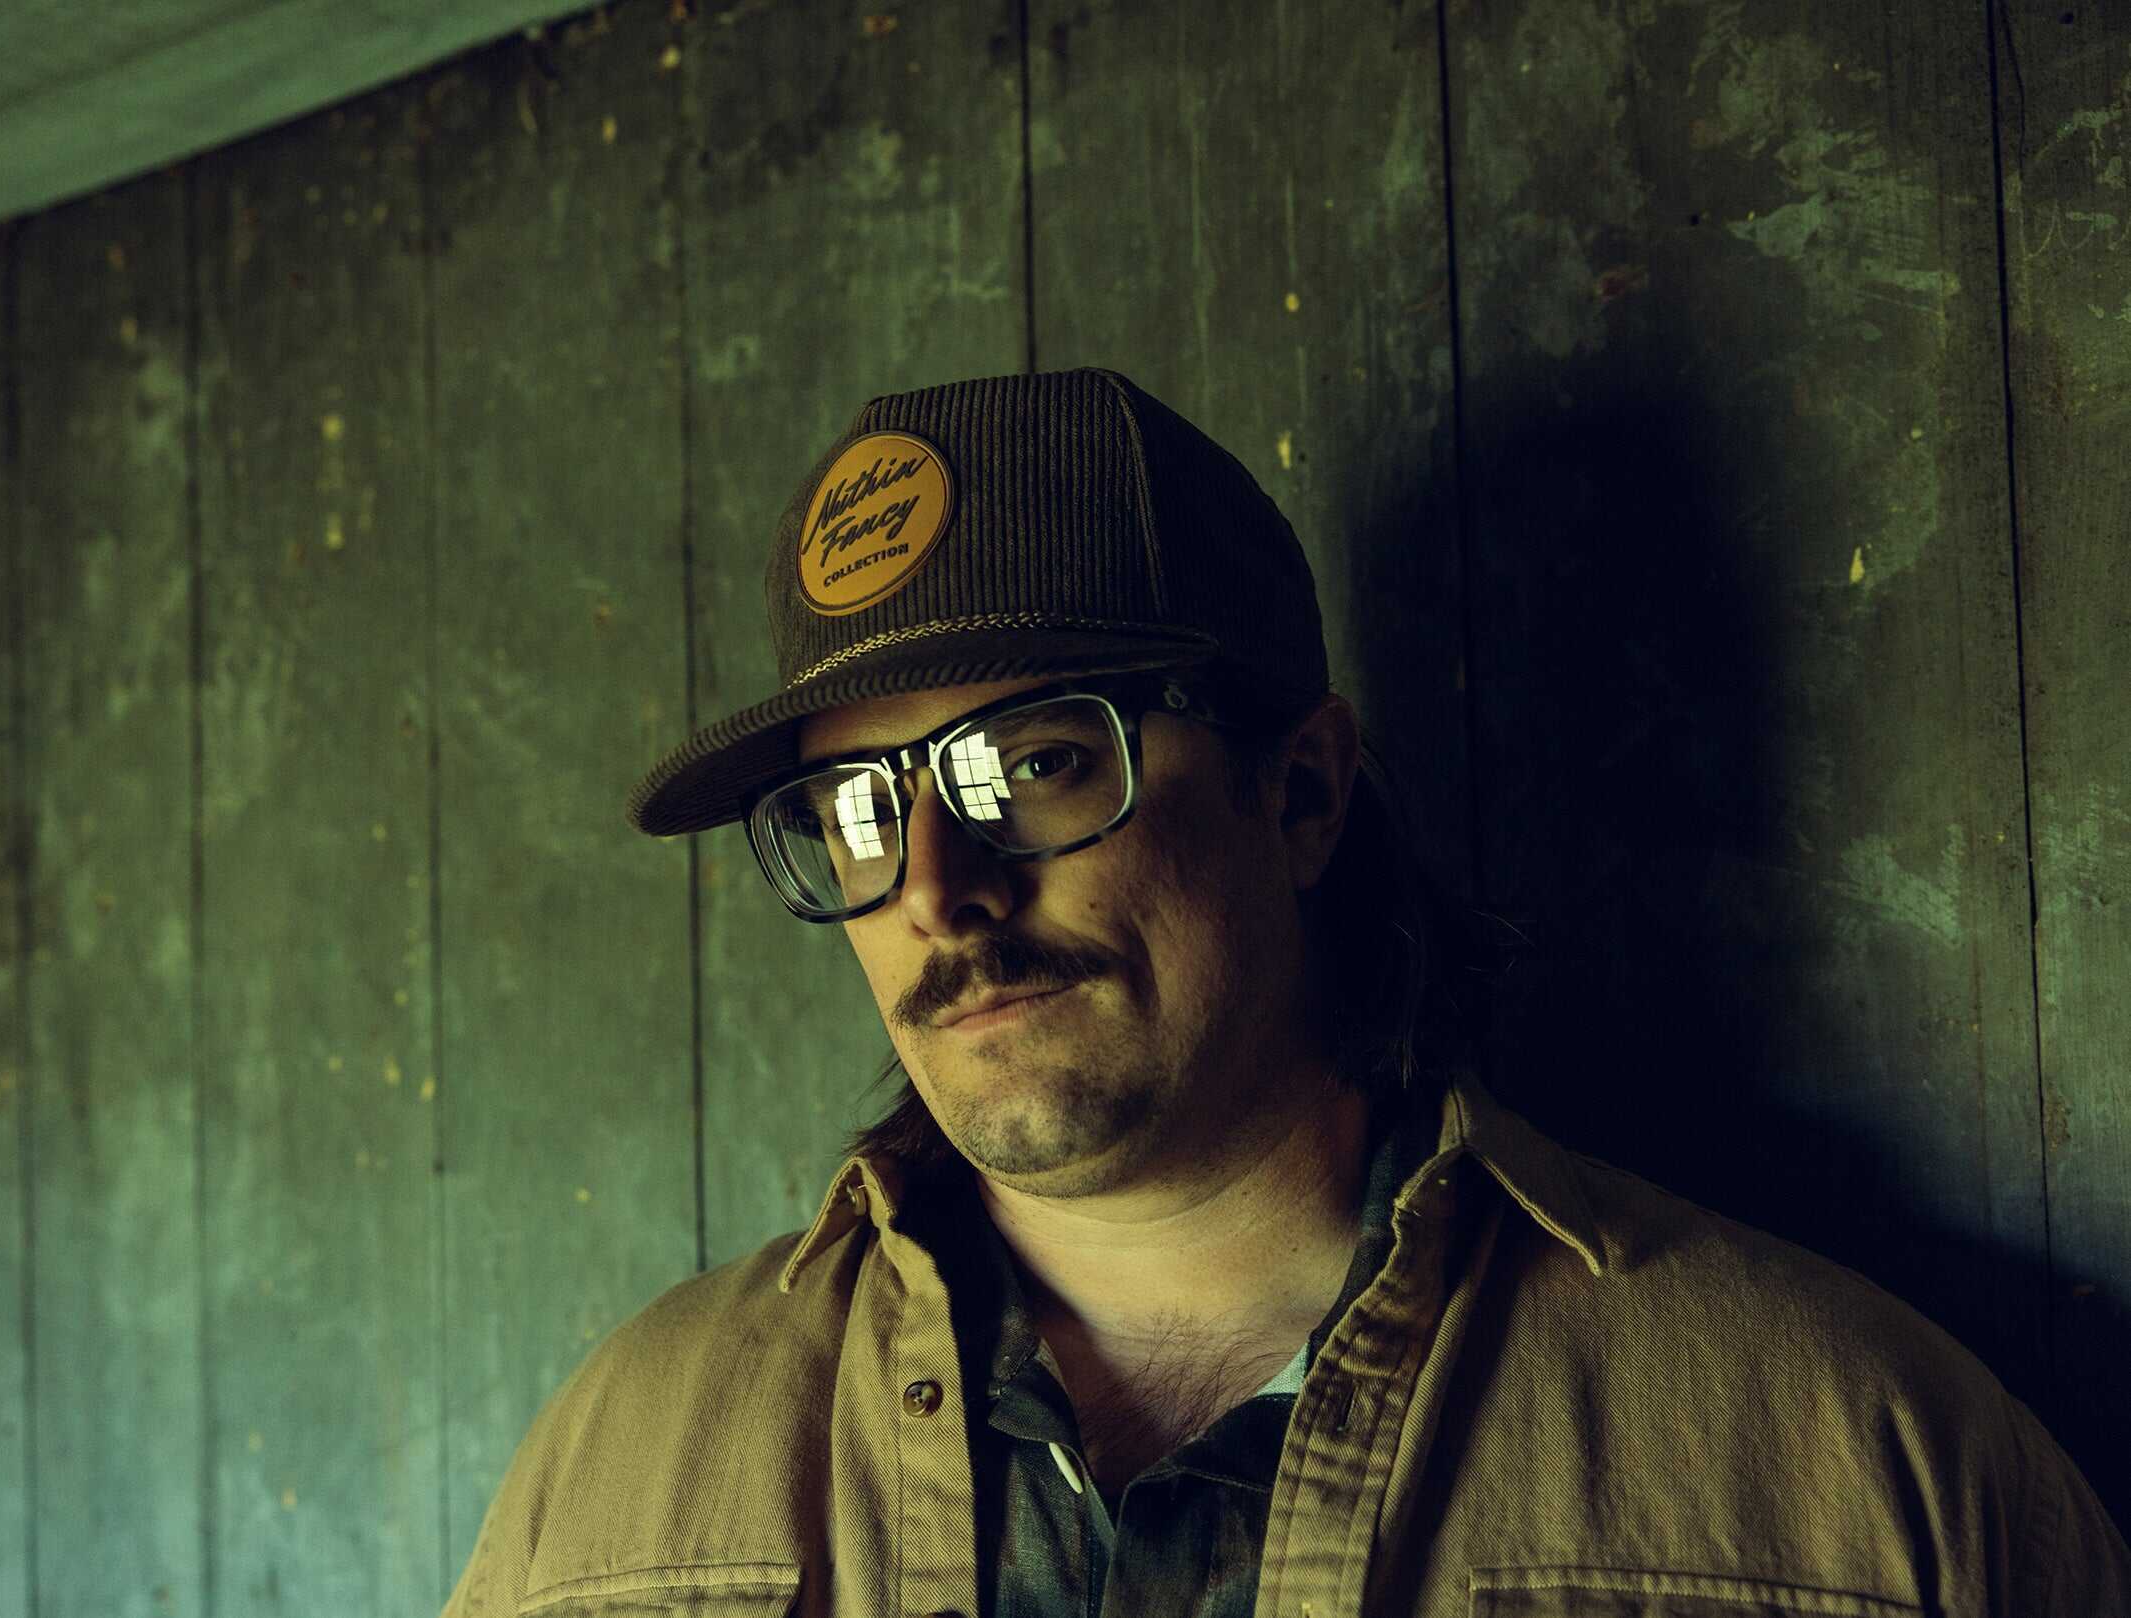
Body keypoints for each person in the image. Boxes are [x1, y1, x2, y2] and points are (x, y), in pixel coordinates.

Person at [442, 367, 2129, 1617]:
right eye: (859, 810)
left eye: (1034, 761)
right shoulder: (618, 1469)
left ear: (1302, 789)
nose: (938, 890)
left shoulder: (1844, 1454)